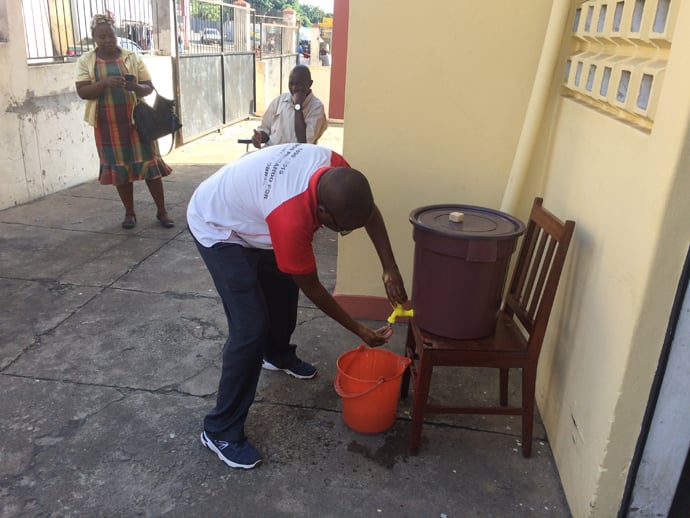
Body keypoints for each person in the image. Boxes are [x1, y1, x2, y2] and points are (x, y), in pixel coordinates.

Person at [187, 143, 408, 469]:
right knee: (250, 328)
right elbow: (313, 288)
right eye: (342, 228)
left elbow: (368, 212)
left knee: (282, 286)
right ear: (322, 213)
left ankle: (276, 354)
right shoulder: (290, 219)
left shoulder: (338, 170)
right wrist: (360, 329)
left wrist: (390, 267)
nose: (342, 233)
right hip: (218, 226)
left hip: (255, 214)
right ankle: (220, 430)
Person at [74, 12, 174, 229]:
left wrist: (135, 87)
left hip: (138, 122)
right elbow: (83, 92)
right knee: (120, 170)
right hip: (107, 125)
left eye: (111, 35)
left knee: (151, 166)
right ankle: (130, 213)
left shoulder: (132, 57)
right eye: (102, 37)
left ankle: (162, 211)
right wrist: (105, 83)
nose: (108, 40)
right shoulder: (86, 61)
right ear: (94, 38)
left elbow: (148, 87)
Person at [250, 65, 327, 150]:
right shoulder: (280, 100)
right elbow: (266, 130)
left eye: (299, 84)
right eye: (291, 83)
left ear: (310, 84)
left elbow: (303, 141)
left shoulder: (316, 107)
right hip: (272, 151)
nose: (294, 88)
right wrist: (259, 137)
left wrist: (298, 105)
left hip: (296, 157)